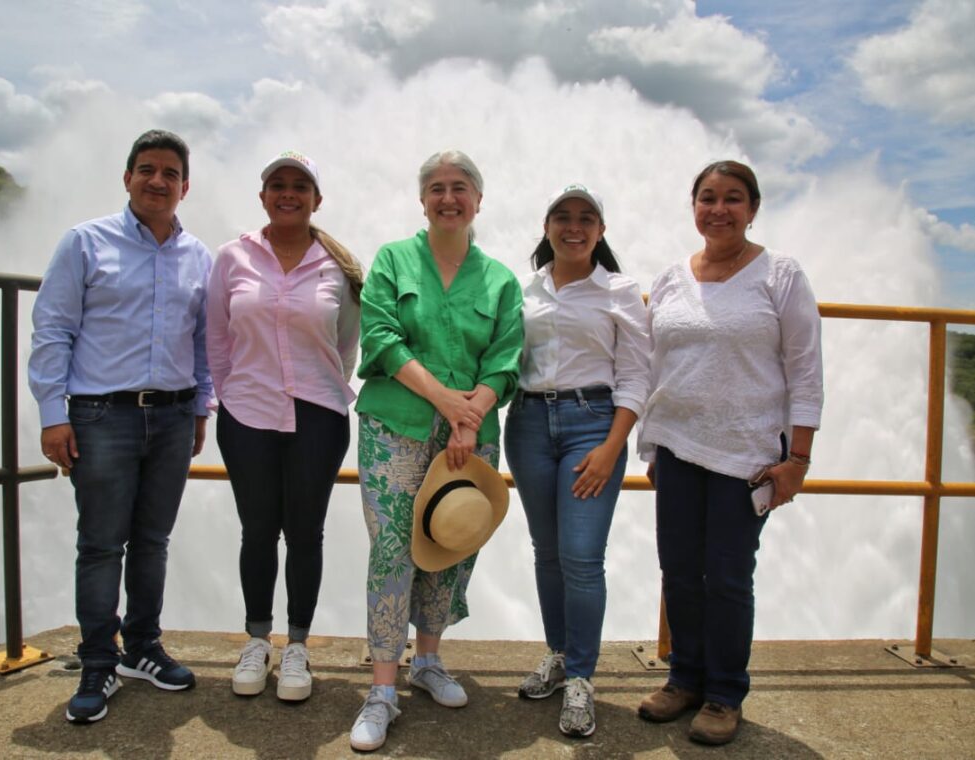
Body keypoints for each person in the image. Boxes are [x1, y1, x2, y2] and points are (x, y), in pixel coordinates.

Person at [635, 160, 823, 745]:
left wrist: (798, 460)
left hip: (747, 455)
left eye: (733, 199)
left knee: (729, 577)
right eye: (708, 198)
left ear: (753, 208)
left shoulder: (780, 275)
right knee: (680, 572)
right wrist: (653, 441)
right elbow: (656, 362)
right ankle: (684, 678)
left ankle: (723, 693)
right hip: (678, 447)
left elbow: (805, 371)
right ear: (693, 206)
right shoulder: (670, 278)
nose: (719, 209)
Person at [29, 129, 213, 723]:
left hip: (173, 413)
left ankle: (141, 648)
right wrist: (52, 415)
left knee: (153, 541)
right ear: (127, 177)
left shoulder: (199, 257)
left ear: (185, 186)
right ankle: (96, 663)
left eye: (169, 173)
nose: (157, 181)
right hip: (100, 413)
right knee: (102, 544)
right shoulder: (86, 242)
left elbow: (204, 342)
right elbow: (53, 329)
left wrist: (201, 407)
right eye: (146, 170)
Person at [349, 149, 523, 752]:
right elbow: (380, 336)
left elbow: (506, 358)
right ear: (423, 200)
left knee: (450, 542)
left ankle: (428, 660)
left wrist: (470, 413)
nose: (448, 198)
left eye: (460, 188)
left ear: (478, 200)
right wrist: (449, 403)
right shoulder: (394, 261)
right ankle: (382, 688)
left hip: (471, 434)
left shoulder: (499, 278)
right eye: (437, 188)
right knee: (393, 549)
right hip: (395, 426)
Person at [206, 150, 362, 702]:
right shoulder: (232, 258)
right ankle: (256, 639)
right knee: (257, 530)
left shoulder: (337, 266)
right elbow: (217, 339)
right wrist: (231, 394)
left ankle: (296, 645)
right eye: (278, 184)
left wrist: (319, 387)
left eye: (300, 185)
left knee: (305, 532)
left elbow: (346, 343)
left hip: (318, 413)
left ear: (317, 199)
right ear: (263, 194)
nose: (288, 193)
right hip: (246, 412)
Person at [504, 184, 651, 738]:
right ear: (546, 227)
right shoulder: (523, 289)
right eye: (562, 217)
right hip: (528, 422)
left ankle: (583, 678)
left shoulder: (619, 290)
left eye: (586, 218)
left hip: (594, 423)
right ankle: (560, 654)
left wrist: (612, 447)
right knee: (547, 552)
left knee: (582, 556)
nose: (574, 226)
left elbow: (637, 375)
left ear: (601, 231)